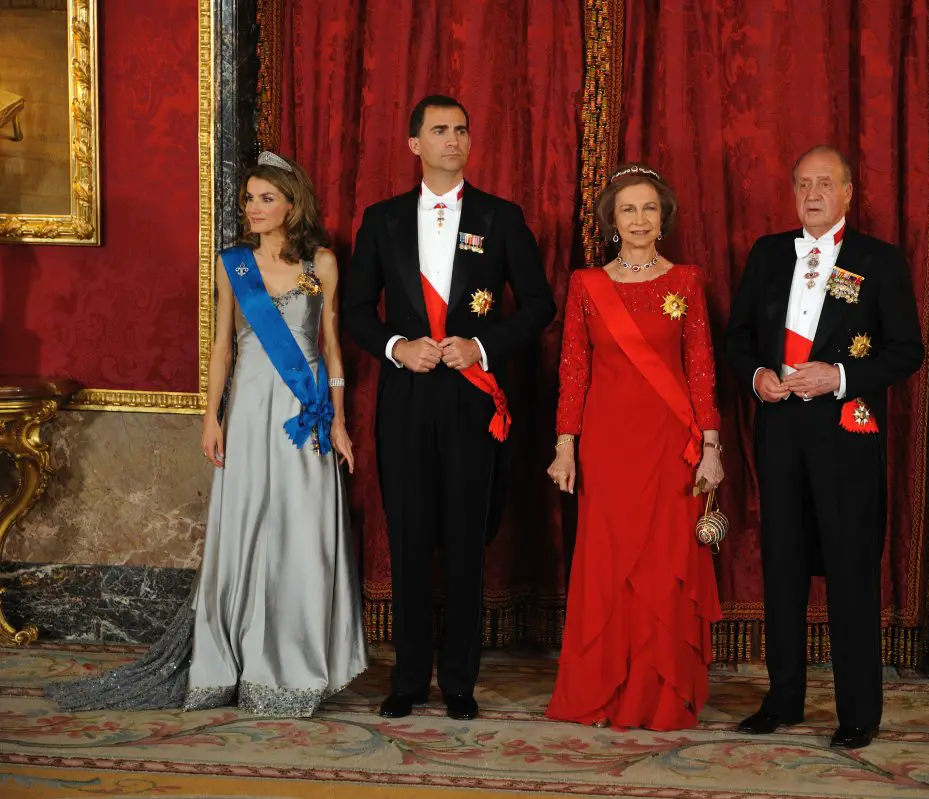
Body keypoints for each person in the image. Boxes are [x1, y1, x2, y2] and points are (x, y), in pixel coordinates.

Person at [46, 152, 368, 716]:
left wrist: (339, 418)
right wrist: (210, 416)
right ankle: (236, 657)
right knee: (247, 523)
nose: (254, 208)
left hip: (305, 406)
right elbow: (221, 346)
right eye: (249, 198)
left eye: (266, 198)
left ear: (293, 203)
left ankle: (300, 663)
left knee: (303, 527)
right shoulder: (234, 264)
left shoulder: (322, 262)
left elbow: (334, 346)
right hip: (248, 406)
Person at [342, 95, 555, 722]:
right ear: (415, 145)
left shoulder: (501, 217)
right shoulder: (380, 220)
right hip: (406, 396)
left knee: (466, 539)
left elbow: (540, 305)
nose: (453, 140)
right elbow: (356, 310)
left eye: (462, 129)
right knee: (408, 538)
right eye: (439, 131)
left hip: (471, 397)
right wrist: (396, 346)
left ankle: (459, 679)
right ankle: (408, 678)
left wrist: (482, 345)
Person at [725, 146, 923, 749]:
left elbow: (905, 351)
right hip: (780, 430)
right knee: (782, 566)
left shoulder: (879, 261)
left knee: (848, 571)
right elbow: (735, 338)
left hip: (845, 435)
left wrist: (837, 377)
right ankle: (783, 699)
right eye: (802, 184)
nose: (812, 194)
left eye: (824, 184)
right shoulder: (766, 254)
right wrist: (756, 376)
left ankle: (857, 712)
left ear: (847, 193)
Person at [546, 164, 724, 731]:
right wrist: (565, 446)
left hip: (671, 444)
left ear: (663, 216)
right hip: (607, 444)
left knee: (660, 567)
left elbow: (701, 371)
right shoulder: (586, 285)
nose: (640, 219)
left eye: (649, 208)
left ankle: (660, 694)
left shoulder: (687, 281)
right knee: (607, 565)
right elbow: (573, 370)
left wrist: (712, 446)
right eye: (628, 209)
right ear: (611, 220)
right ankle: (601, 691)